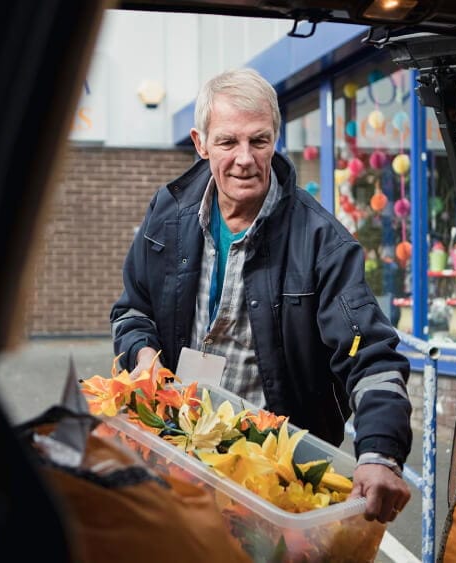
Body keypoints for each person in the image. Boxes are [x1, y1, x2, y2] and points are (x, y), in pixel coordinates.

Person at [110, 68, 412, 523]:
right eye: (228, 142)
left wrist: (379, 453)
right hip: (176, 449)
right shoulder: (167, 212)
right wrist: (144, 355)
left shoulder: (321, 242)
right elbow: (131, 310)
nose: (245, 159)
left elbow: (368, 354)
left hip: (276, 480)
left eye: (259, 140)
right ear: (200, 143)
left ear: (276, 139)